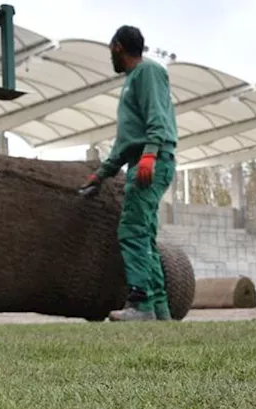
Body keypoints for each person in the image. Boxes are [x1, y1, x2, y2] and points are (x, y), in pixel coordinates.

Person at [82, 25, 178, 322]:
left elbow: (157, 118)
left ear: (117, 47)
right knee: (145, 236)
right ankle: (160, 310)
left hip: (151, 162)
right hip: (143, 159)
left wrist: (149, 154)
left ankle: (141, 304)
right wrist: (101, 175)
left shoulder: (148, 73)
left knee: (131, 231)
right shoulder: (134, 80)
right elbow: (124, 145)